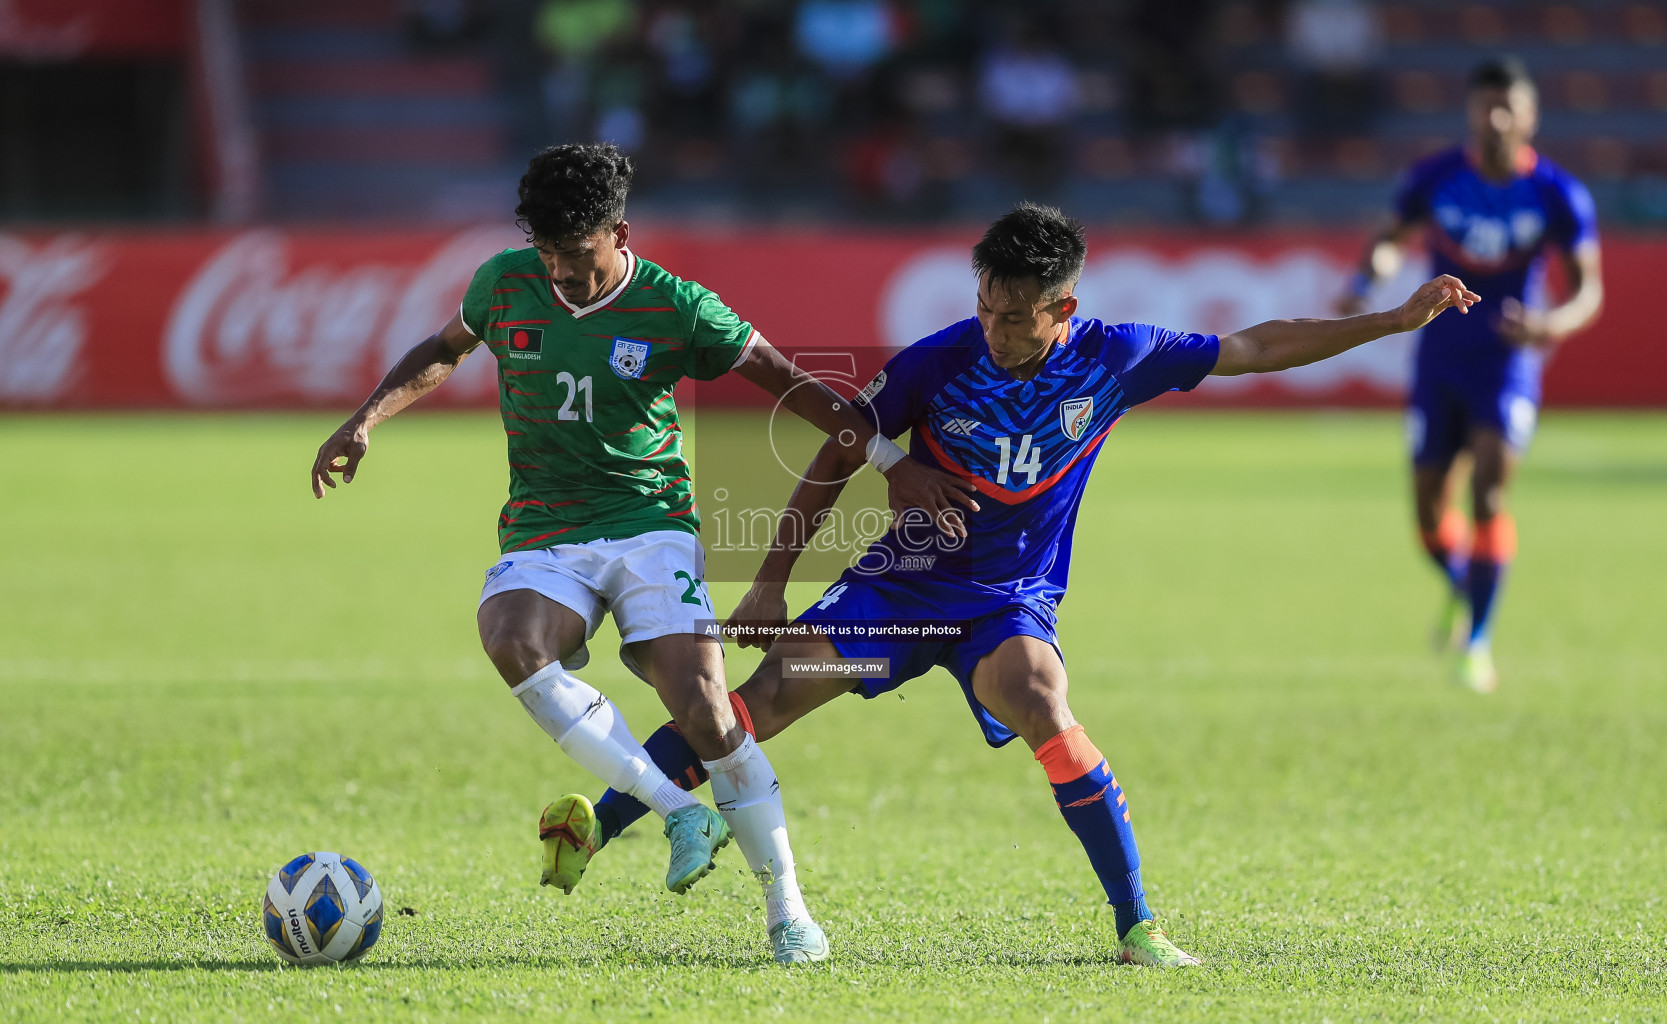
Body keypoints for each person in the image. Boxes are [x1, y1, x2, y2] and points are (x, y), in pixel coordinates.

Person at [557, 201, 1478, 966]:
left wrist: (1390, 322)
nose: (993, 328)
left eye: (1013, 314)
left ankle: (1137, 928)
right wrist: (768, 585)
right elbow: (839, 445)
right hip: (903, 586)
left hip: (1007, 599)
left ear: (1062, 307)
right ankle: (598, 824)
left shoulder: (1117, 357)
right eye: (986, 306)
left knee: (1043, 698)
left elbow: (1253, 345)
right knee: (760, 701)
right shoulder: (936, 361)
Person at [309, 142, 974, 964]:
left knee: (707, 710)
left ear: (619, 233)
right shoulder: (503, 282)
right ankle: (675, 809)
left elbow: (792, 383)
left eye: (577, 255)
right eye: (547, 253)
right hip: (545, 528)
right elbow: (444, 349)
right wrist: (366, 418)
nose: (560, 272)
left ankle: (787, 911)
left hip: (650, 522)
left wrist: (890, 463)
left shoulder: (677, 305)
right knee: (512, 640)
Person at [1338, 56, 1604, 692]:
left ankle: (1477, 642)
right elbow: (1389, 237)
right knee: (1430, 517)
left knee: (1488, 493)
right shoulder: (1435, 177)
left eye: (1508, 105)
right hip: (1438, 361)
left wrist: (1551, 325)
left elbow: (1589, 292)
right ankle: (1465, 583)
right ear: (1471, 112)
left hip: (1507, 363)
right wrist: (1367, 276)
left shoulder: (1558, 194)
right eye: (1487, 104)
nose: (1497, 117)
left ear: (1531, 117)